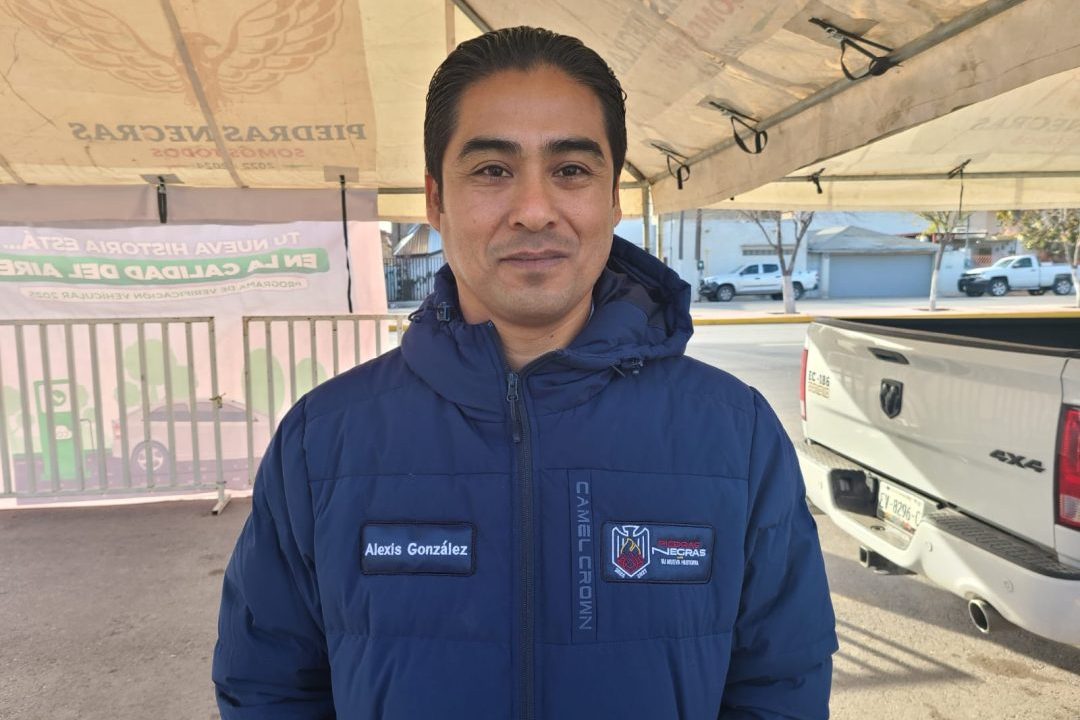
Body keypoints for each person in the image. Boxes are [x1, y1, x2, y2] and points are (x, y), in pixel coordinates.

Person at [213, 25, 837, 719]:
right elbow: (268, 687)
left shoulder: (735, 437)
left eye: (571, 170)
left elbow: (780, 684)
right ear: (435, 201)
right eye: (492, 170)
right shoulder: (322, 442)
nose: (535, 211)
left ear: (612, 199)